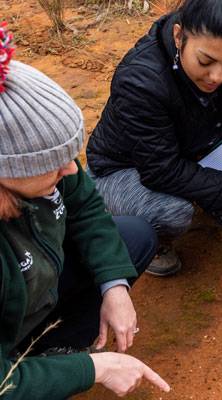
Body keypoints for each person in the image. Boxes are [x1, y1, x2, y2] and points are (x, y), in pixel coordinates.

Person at [0, 40, 170, 399]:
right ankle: (26, 371)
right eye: (53, 164)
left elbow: (88, 208)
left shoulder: (44, 165)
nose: (71, 168)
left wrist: (114, 286)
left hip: (30, 287)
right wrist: (96, 368)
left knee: (133, 237)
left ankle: (46, 355)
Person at [86, 0, 222, 276]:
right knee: (172, 213)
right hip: (123, 168)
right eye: (205, 62)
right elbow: (160, 170)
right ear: (179, 37)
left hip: (193, 140)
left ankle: (206, 185)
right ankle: (143, 234)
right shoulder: (140, 81)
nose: (217, 77)